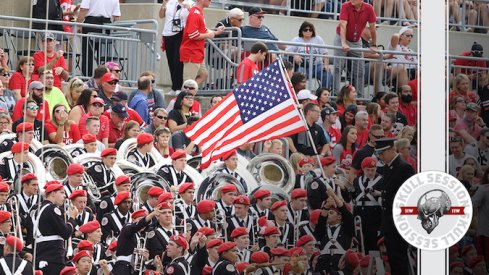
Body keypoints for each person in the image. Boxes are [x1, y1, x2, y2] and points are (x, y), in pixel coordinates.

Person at [374, 137, 414, 275]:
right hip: (390, 223)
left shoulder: (404, 168)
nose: (380, 157)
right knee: (393, 260)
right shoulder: (389, 167)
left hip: (398, 223)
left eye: (382, 153)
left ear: (391, 150)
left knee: (399, 260)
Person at [333, 0, 377, 98]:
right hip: (341, 37)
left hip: (356, 40)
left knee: (360, 70)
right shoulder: (345, 6)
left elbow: (373, 27)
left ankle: (359, 97)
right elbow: (343, 25)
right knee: (338, 67)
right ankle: (335, 94)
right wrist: (343, 43)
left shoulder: (369, 8)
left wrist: (374, 44)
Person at [32, 182, 78, 274]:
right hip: (53, 257)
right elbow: (66, 233)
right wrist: (72, 218)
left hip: (40, 255)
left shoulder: (38, 210)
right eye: (61, 193)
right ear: (52, 193)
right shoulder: (52, 209)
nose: (64, 196)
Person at [180, 0, 224, 85]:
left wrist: (215, 33)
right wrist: (209, 35)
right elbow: (193, 35)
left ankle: (190, 93)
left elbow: (203, 30)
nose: (210, 1)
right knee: (188, 83)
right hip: (191, 51)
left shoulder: (198, 12)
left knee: (203, 74)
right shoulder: (195, 13)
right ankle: (186, 95)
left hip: (196, 52)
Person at [77, 0, 121, 76]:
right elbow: (116, 16)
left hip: (91, 24)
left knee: (88, 55)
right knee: (104, 56)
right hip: (107, 24)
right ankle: (105, 77)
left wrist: (78, 24)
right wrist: (113, 30)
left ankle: (87, 78)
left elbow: (83, 9)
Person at [112, 207, 163, 274]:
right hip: (122, 267)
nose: (144, 224)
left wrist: (144, 258)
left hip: (133, 269)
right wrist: (151, 215)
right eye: (140, 219)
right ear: (133, 220)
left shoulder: (141, 237)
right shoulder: (127, 227)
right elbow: (138, 225)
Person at [315, 188, 354, 273]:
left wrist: (333, 195)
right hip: (323, 264)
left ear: (339, 217)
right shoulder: (323, 229)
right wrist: (327, 206)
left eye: (331, 213)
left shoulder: (346, 228)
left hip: (340, 263)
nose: (328, 215)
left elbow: (347, 214)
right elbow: (321, 221)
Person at [160, 0, 194, 93]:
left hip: (181, 33)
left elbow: (194, 17)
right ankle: (174, 86)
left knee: (177, 60)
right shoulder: (170, 2)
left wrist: (189, 9)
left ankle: (178, 87)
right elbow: (161, 15)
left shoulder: (190, 2)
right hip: (168, 33)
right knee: (170, 60)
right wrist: (163, 4)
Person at [286, 21, 333, 88]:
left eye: (310, 30)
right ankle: (300, 95)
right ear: (301, 31)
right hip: (303, 65)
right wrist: (295, 55)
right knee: (299, 74)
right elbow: (287, 51)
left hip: (317, 65)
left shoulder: (318, 39)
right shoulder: (296, 40)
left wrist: (326, 65)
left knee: (327, 74)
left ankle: (323, 93)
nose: (308, 31)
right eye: (306, 30)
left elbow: (325, 53)